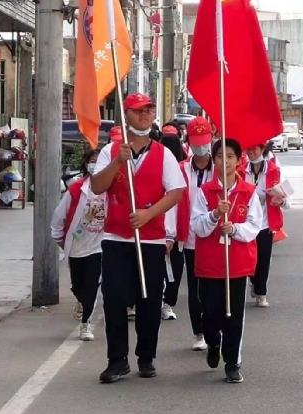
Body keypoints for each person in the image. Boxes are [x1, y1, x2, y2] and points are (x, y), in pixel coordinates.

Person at [92, 93, 185, 384]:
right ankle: (117, 359)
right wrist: (117, 163)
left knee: (149, 300)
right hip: (117, 237)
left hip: (151, 240)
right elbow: (97, 186)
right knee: (115, 297)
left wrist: (149, 215)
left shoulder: (164, 154)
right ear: (126, 115)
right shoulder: (111, 151)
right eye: (138, 111)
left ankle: (146, 356)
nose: (145, 115)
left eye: (149, 110)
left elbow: (175, 192)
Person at [191, 138, 263, 384]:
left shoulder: (249, 192)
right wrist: (213, 215)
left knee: (234, 315)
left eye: (230, 156)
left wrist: (235, 229)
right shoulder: (205, 192)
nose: (226, 161)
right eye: (220, 156)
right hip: (210, 263)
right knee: (210, 313)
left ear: (238, 160)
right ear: (215, 161)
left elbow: (255, 227)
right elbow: (197, 227)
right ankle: (212, 342)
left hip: (237, 265)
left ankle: (232, 362)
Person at [51, 150, 105, 341]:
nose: (95, 164)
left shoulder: (111, 190)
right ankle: (82, 301)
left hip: (98, 248)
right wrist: (61, 240)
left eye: (99, 161)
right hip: (75, 247)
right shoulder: (76, 189)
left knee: (92, 286)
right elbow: (59, 217)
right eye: (92, 161)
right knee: (78, 286)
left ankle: (85, 324)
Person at [175, 116, 214, 351]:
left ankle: (214, 329)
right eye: (196, 142)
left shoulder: (221, 169)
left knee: (214, 288)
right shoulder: (180, 169)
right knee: (195, 287)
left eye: (204, 141)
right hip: (190, 238)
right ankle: (198, 332)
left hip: (216, 237)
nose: (201, 147)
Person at [243, 143, 290, 307]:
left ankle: (261, 292)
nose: (251, 151)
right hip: (245, 222)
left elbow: (286, 200)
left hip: (265, 222)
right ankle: (254, 281)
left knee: (263, 259)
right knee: (248, 258)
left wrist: (281, 200)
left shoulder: (273, 170)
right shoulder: (240, 169)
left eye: (255, 148)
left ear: (263, 150)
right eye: (249, 148)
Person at [159, 133, 187, 321]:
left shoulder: (183, 170)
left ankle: (167, 302)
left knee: (174, 267)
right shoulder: (157, 168)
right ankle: (159, 301)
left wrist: (171, 234)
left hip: (177, 228)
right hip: (156, 226)